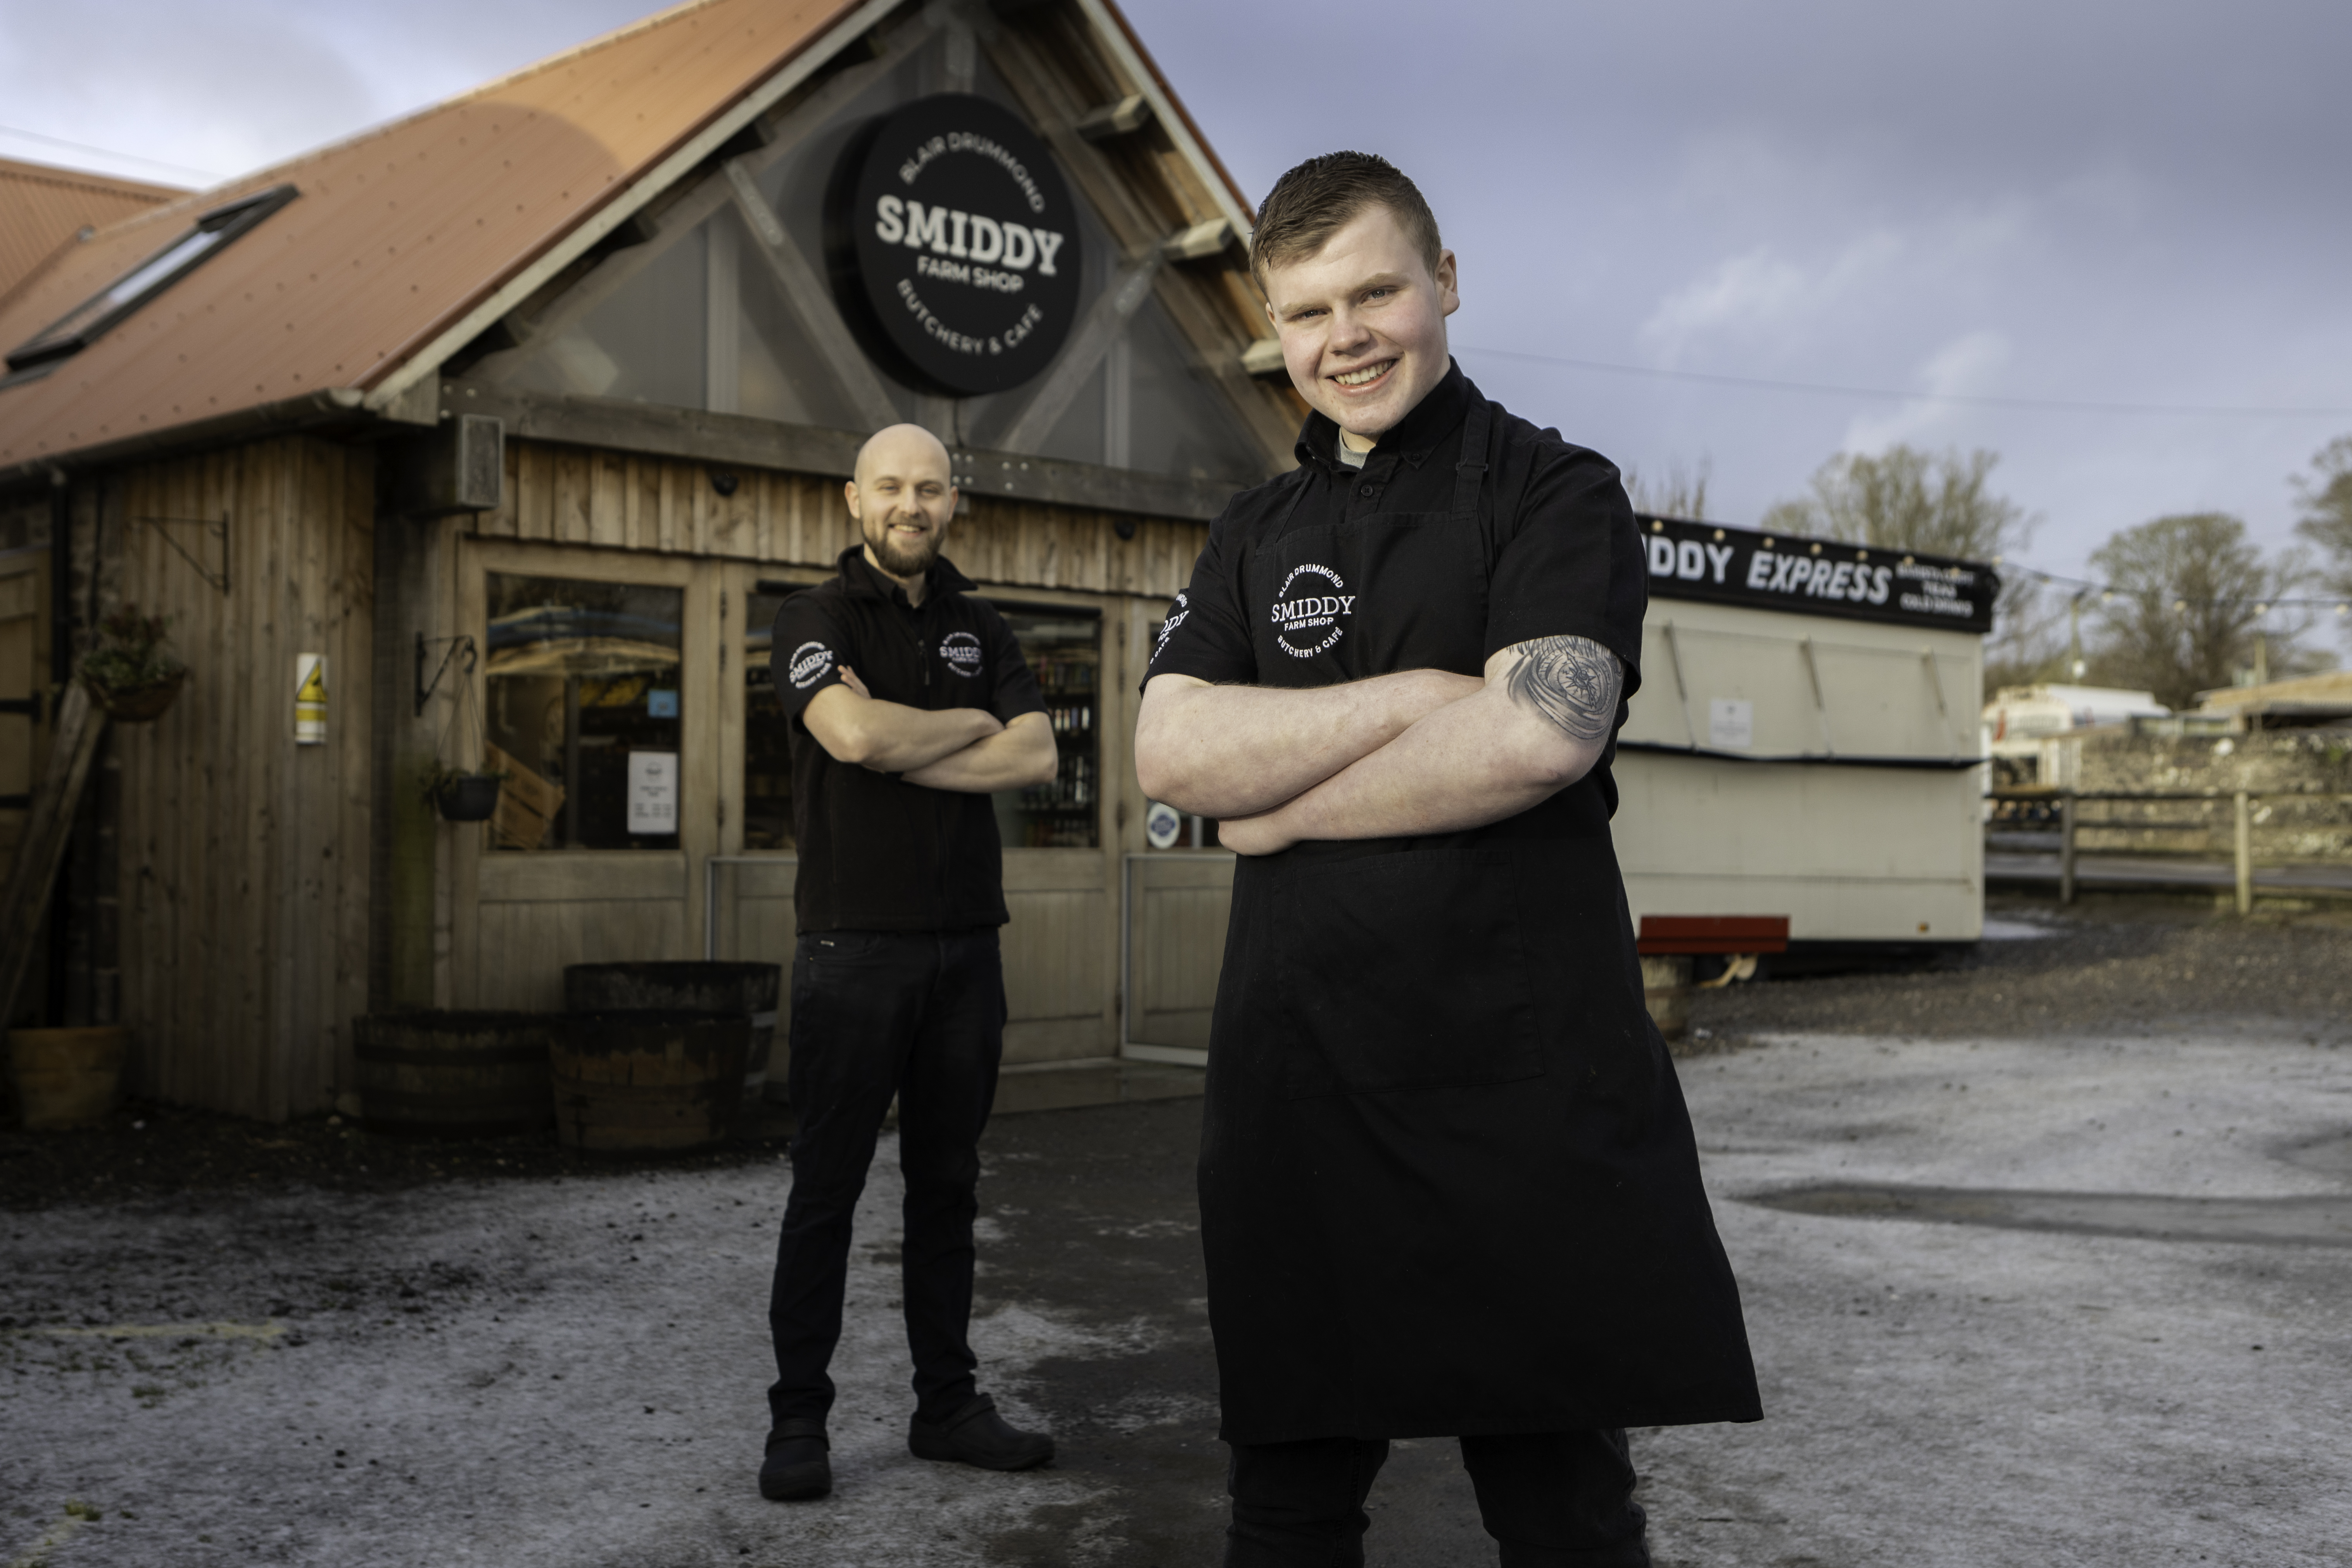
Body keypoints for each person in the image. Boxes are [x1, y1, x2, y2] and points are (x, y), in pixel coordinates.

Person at [1134, 152, 1762, 1566]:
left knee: (1561, 1516)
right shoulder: (1252, 530)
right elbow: (1169, 753)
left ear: (1445, 284)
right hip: (1299, 1087)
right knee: (1285, 1512)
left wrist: (1286, 805)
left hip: (1517, 1087)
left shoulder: (1555, 489)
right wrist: (1424, 701)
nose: (1342, 337)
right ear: (1272, 331)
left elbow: (1541, 736)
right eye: (1305, 313)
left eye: (1374, 292)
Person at [757, 422, 1061, 1502]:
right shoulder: (813, 616)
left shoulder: (984, 623)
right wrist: (961, 728)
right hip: (852, 949)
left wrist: (918, 733)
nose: (910, 504)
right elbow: (851, 739)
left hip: (965, 954)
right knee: (826, 1192)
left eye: (929, 488)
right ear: (854, 498)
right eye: (890, 486)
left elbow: (1036, 752)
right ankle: (798, 1421)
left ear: (952, 502)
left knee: (946, 1186)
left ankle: (947, 1406)